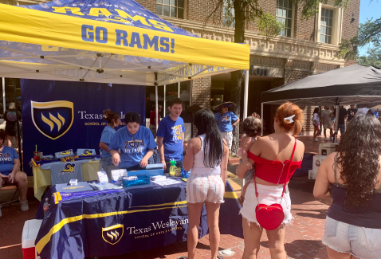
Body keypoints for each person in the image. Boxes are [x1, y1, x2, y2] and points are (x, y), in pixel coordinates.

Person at [236, 102, 305, 259]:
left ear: (276, 119)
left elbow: (240, 173)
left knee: (251, 249)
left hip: (256, 197)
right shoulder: (299, 146)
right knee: (278, 248)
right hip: (281, 198)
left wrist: (244, 157)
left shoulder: (263, 142)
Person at [313, 115, 381, 259]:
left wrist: (337, 197)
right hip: (372, 230)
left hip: (337, 225)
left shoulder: (333, 159)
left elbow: (318, 193)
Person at [183, 109, 229, 259]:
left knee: (194, 224)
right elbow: (224, 168)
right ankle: (214, 257)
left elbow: (186, 167)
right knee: (214, 224)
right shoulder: (222, 142)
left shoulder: (195, 142)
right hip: (216, 181)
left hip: (197, 181)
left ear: (199, 124)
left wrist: (186, 151)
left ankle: (191, 257)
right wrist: (222, 185)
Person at [0, 129, 28, 217]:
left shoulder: (10, 149)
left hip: (11, 173)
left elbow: (17, 162)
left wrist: (12, 173)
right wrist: (1, 175)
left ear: (2, 139)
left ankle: (23, 200)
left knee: (23, 176)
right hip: (0, 175)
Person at [238, 114, 262, 205]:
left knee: (251, 181)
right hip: (247, 163)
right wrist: (246, 161)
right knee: (249, 182)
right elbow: (244, 151)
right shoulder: (250, 139)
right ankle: (243, 197)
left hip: (248, 162)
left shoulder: (249, 138)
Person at [157, 98, 185, 172]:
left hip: (180, 158)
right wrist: (162, 160)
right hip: (169, 159)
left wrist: (183, 151)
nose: (177, 110)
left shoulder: (181, 120)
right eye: (175, 108)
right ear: (169, 108)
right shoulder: (164, 122)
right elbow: (160, 142)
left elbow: (182, 134)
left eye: (179, 108)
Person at [99, 109, 121, 174]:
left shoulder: (112, 130)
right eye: (119, 119)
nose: (120, 121)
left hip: (112, 159)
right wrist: (114, 152)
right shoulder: (108, 130)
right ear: (114, 120)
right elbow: (101, 145)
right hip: (108, 160)